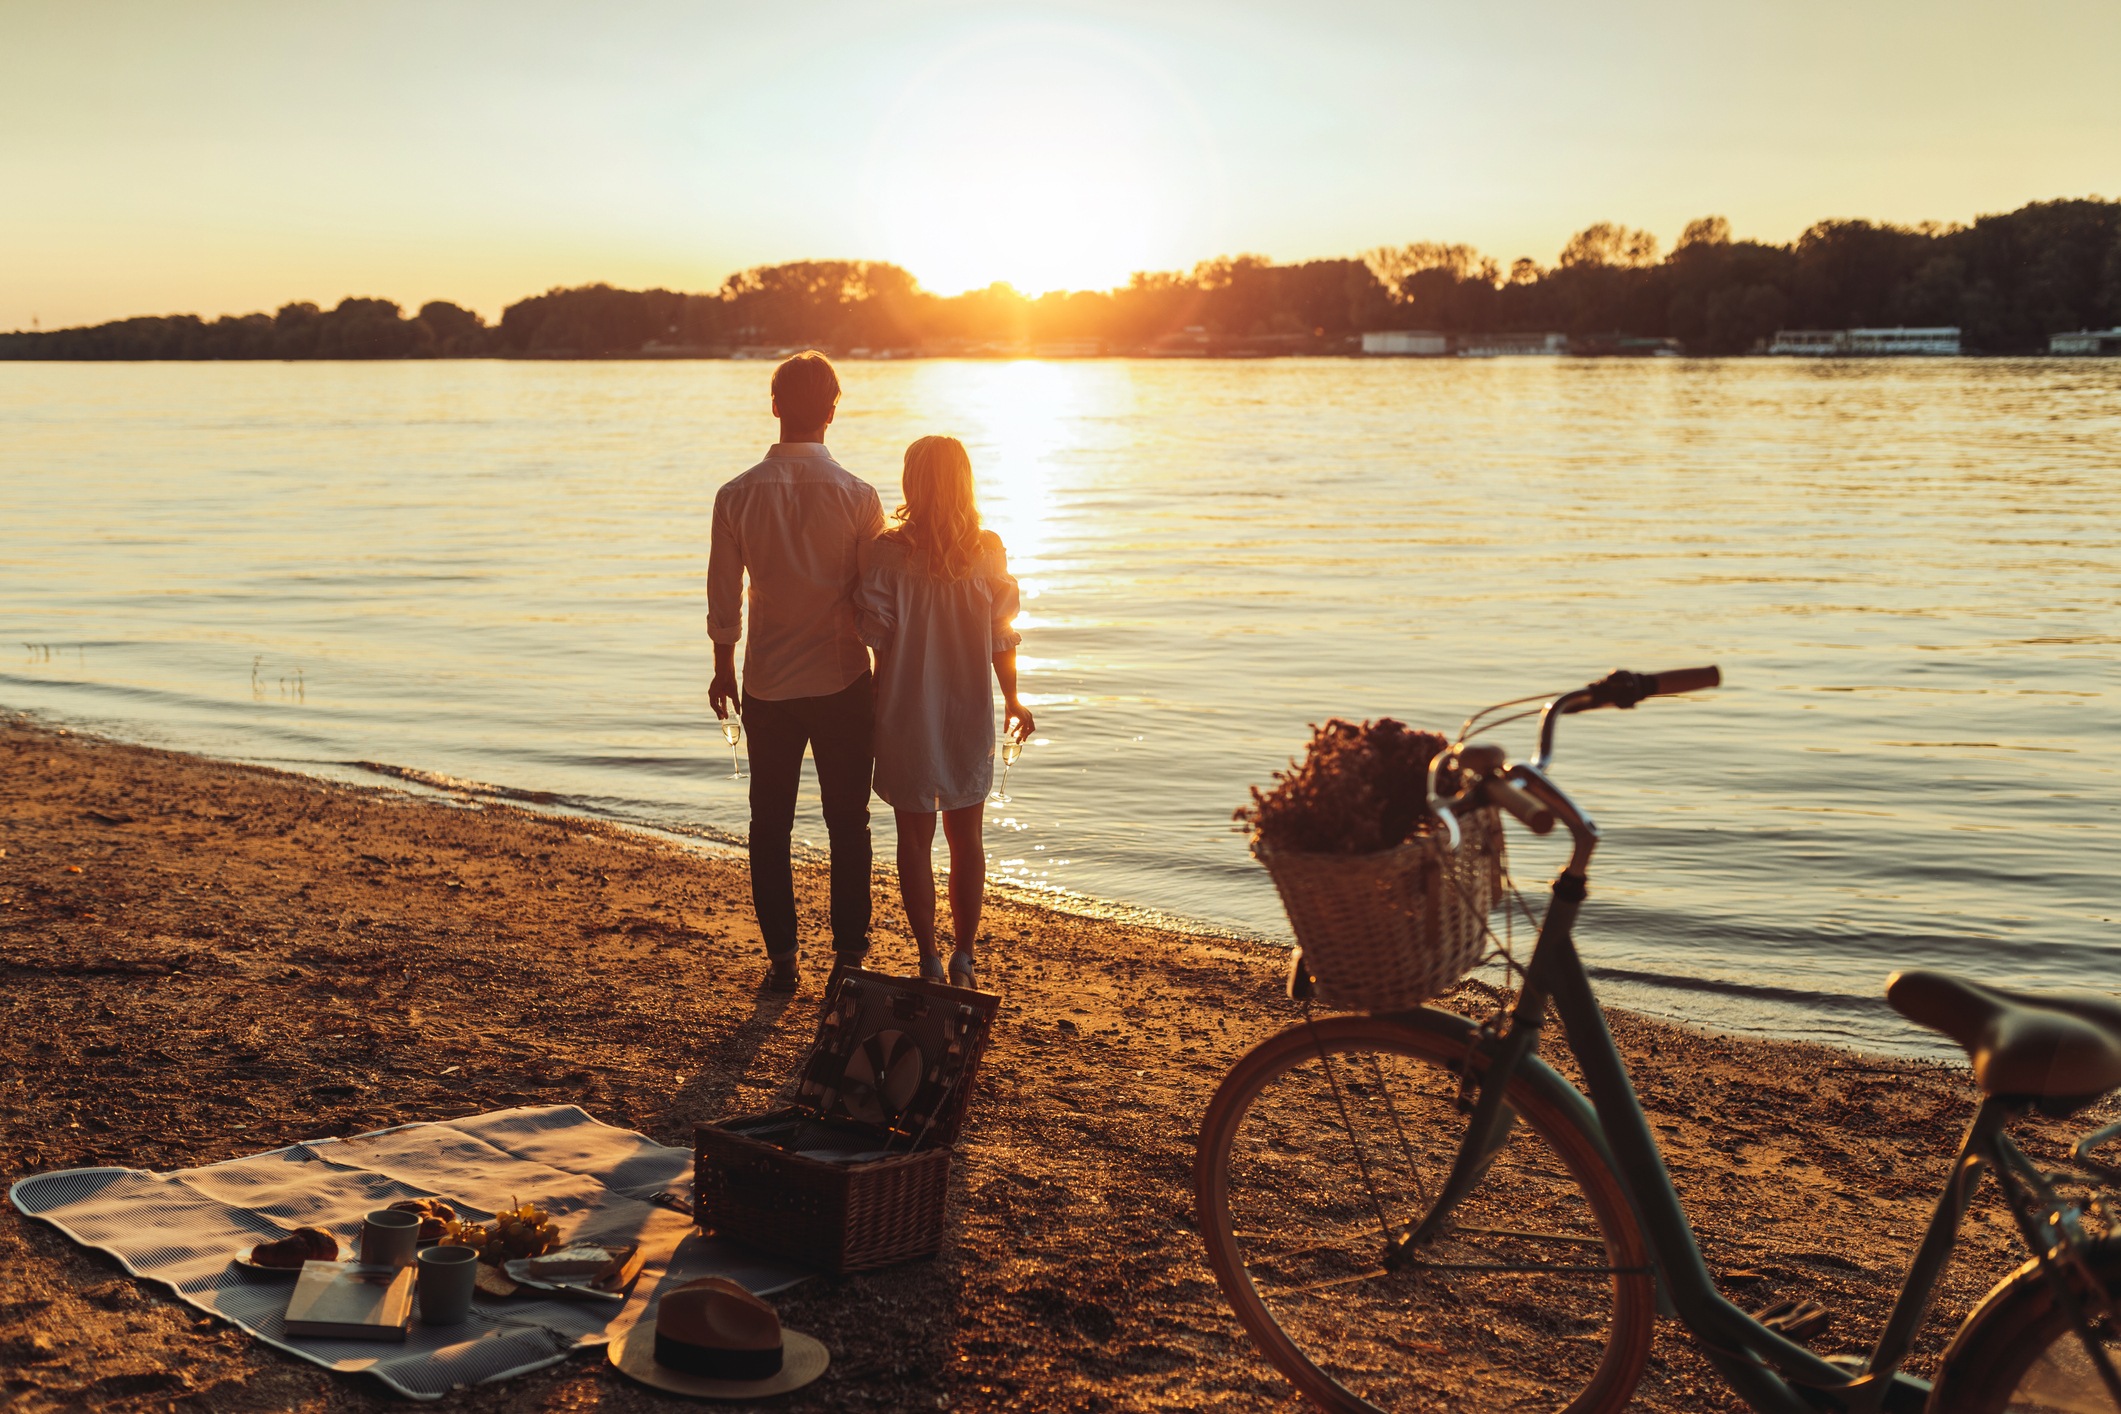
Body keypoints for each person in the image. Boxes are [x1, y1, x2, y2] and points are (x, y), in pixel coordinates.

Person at [708, 353, 885, 992]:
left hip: (768, 683)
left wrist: (722, 669)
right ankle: (850, 957)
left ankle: (782, 958)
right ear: (834, 410)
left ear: (775, 404)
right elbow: (875, 603)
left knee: (769, 819)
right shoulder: (861, 498)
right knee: (849, 822)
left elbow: (724, 597)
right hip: (843, 681)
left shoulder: (736, 496)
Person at [855, 435, 1033, 990]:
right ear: (965, 481)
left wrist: (875, 708)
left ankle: (929, 957)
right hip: (966, 709)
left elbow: (878, 643)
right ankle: (964, 956)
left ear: (912, 481)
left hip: (905, 709)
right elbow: (1000, 636)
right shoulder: (986, 550)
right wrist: (1013, 698)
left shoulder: (886, 552)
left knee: (914, 839)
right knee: (967, 838)